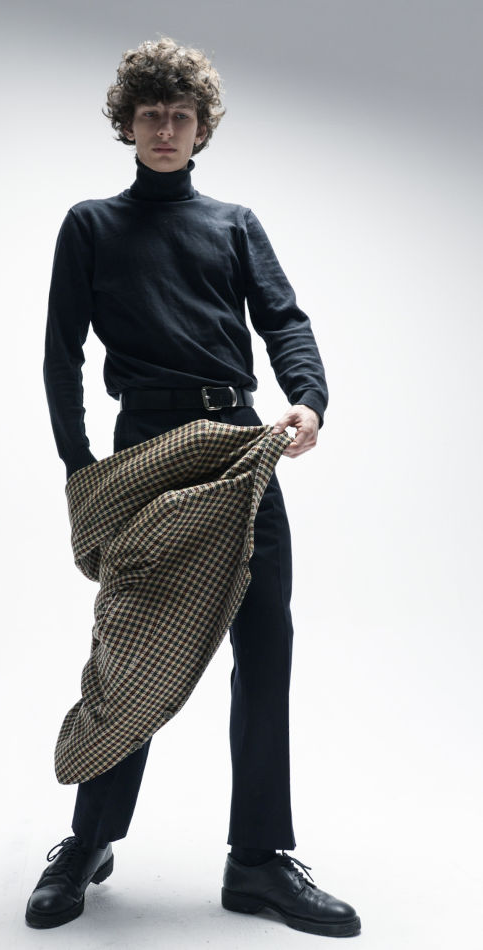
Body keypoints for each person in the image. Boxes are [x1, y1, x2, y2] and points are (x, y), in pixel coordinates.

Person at [25, 36, 361, 938]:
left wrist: (309, 399)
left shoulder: (235, 224)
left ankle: (257, 861)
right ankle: (89, 839)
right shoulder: (91, 225)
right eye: (151, 115)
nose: (165, 129)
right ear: (128, 124)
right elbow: (60, 355)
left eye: (181, 116)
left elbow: (286, 321)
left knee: (266, 647)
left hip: (241, 450)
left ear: (202, 127)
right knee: (131, 654)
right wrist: (80, 466)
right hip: (145, 453)